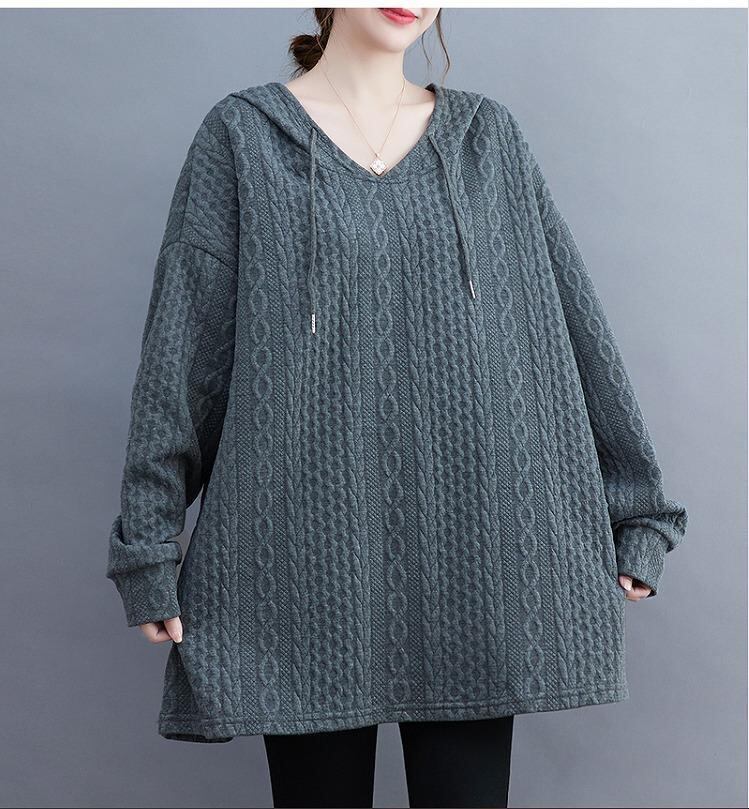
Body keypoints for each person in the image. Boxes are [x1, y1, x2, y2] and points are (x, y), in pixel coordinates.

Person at [106, 7, 688, 808]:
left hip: (478, 555)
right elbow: (183, 350)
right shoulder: (243, 137)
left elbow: (569, 320)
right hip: (301, 560)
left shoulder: (487, 139)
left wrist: (638, 511)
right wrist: (146, 544)